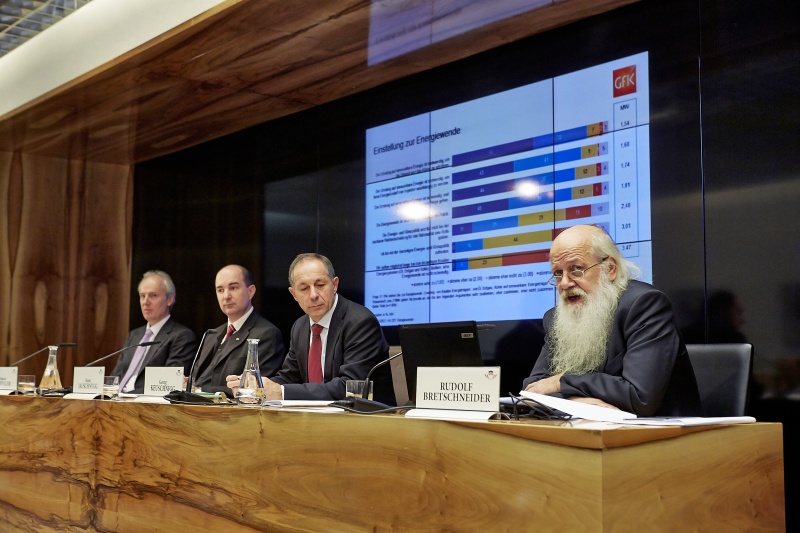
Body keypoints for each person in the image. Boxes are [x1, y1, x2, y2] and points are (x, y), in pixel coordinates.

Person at [523, 225, 701, 417]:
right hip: (590, 431)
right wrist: (574, 401)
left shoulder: (644, 305)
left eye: (576, 269)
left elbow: (640, 397)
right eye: (558, 273)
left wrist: (563, 382)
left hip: (664, 437)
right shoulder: (556, 318)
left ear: (610, 269)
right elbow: (532, 390)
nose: (564, 283)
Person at [227, 253, 395, 405]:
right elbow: (288, 377)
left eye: (320, 284)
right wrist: (255, 387)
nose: (313, 295)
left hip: (368, 423)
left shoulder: (360, 322)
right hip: (317, 421)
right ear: (293, 294)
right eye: (304, 288)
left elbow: (348, 387)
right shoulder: (300, 326)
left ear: (334, 284)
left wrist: (280, 392)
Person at [191, 265, 285, 396]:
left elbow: (255, 389)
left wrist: (199, 390)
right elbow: (196, 379)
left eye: (233, 288)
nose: (226, 296)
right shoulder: (211, 334)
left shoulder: (266, 334)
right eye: (220, 290)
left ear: (251, 291)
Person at [113, 270, 197, 394]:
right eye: (142, 296)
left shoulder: (182, 336)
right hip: (116, 402)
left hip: (145, 405)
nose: (145, 302)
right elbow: (115, 377)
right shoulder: (134, 335)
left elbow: (167, 385)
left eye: (153, 296)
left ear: (170, 299)